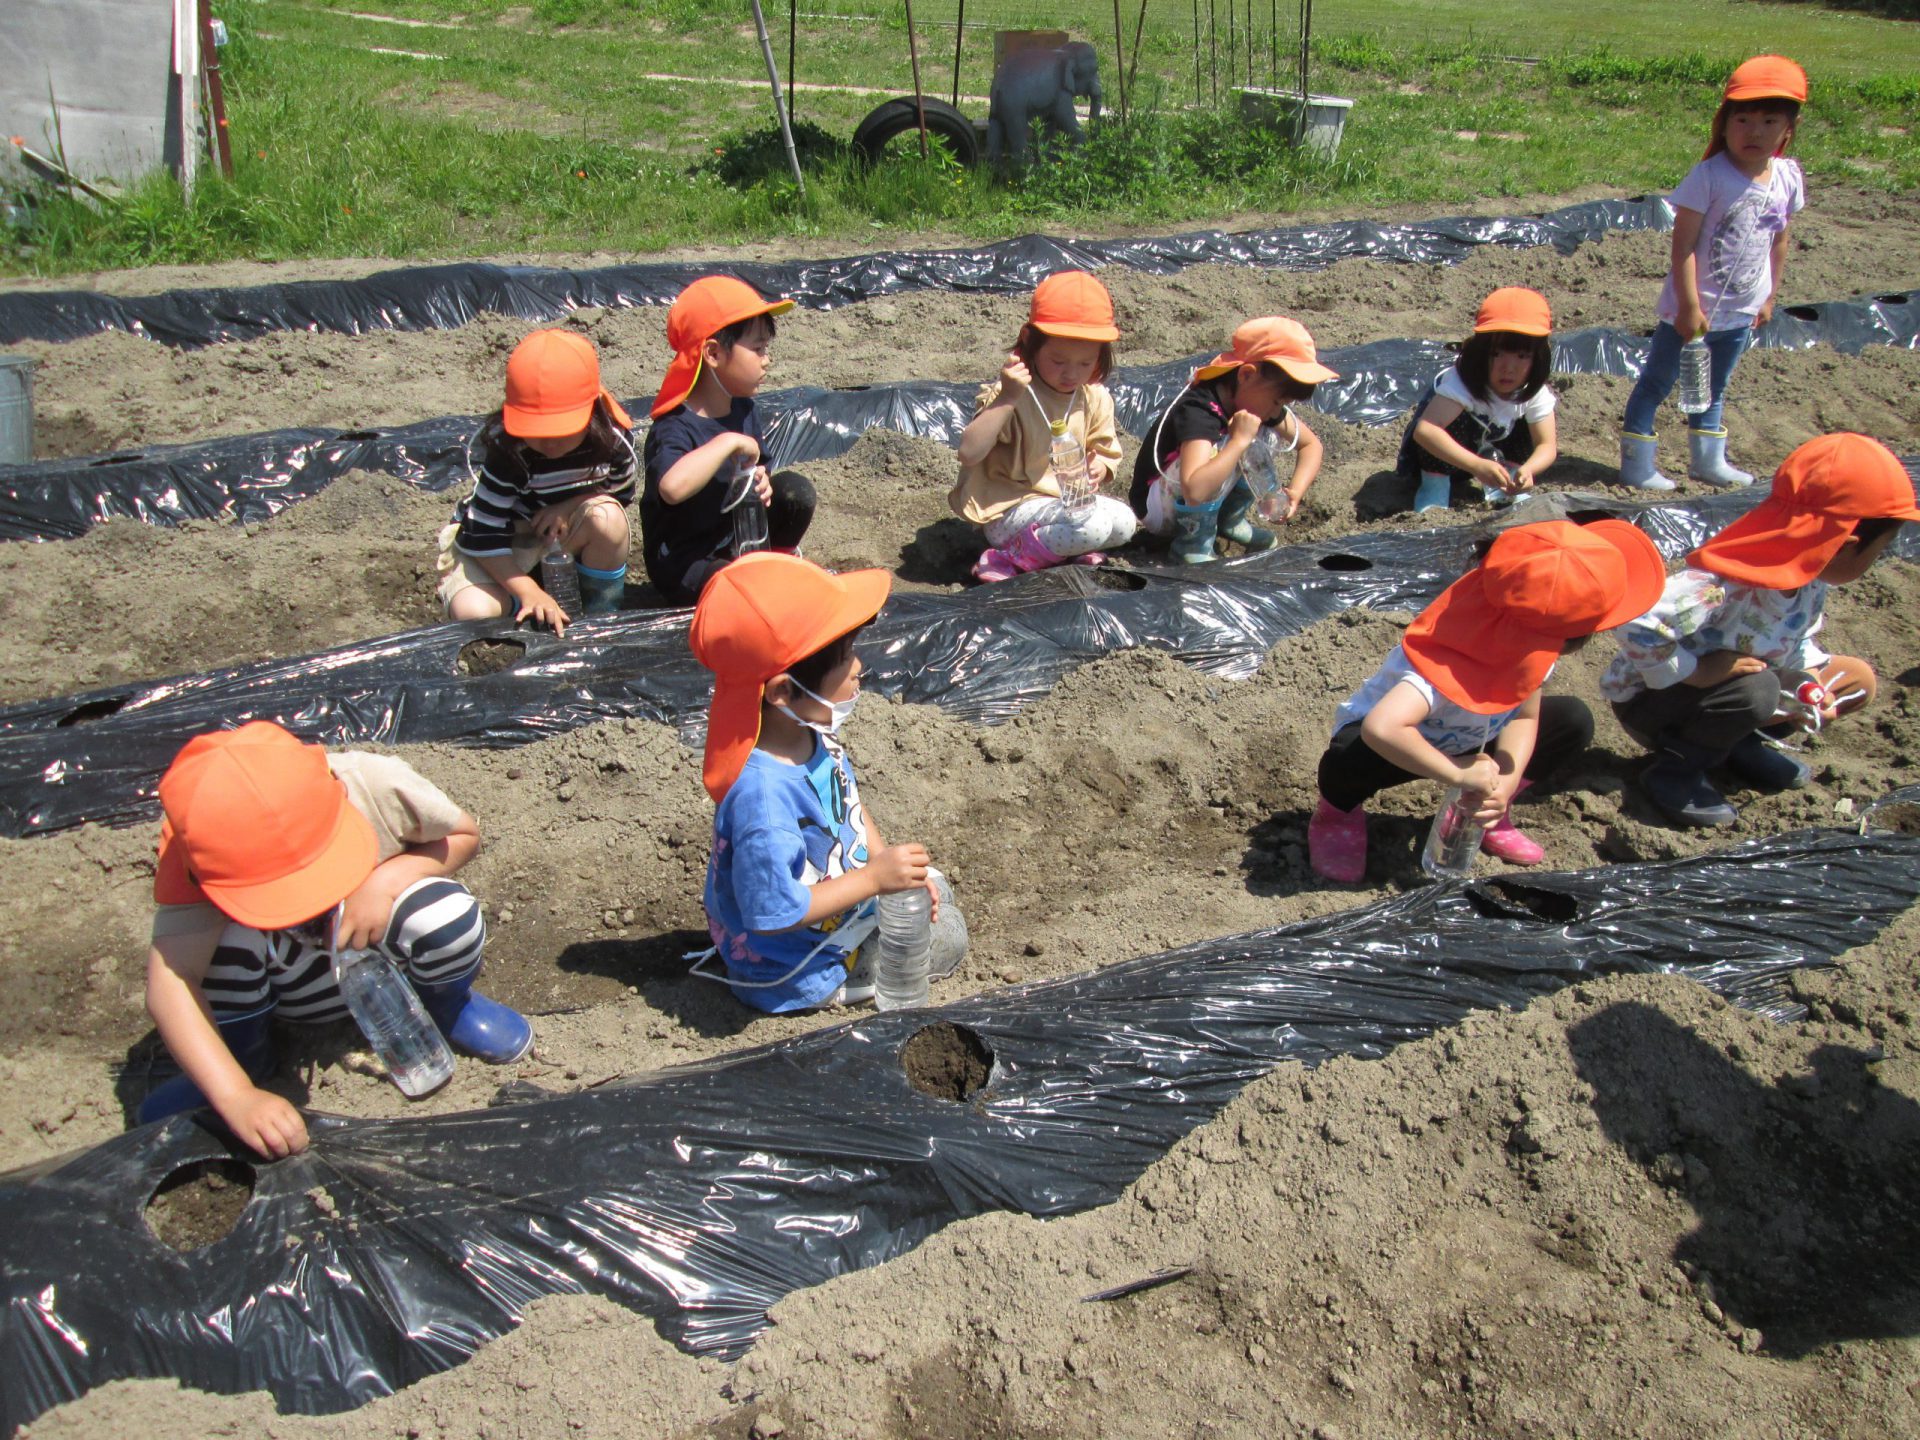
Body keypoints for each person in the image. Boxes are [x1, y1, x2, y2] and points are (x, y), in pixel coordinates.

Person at [138, 721, 532, 1158]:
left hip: (383, 960)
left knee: (444, 913)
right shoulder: (196, 851)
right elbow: (172, 981)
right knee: (221, 946)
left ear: (339, 795)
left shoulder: (374, 785)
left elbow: (464, 835)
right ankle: (245, 1058)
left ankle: (446, 1005)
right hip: (289, 987)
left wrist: (385, 882)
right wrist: (233, 1094)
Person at [1308, 519, 1666, 884]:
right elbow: (1382, 728)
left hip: (1476, 739)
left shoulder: (1532, 645)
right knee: (1348, 754)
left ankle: (1488, 812)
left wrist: (1504, 784)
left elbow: (1523, 717)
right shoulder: (1445, 659)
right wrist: (1457, 773)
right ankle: (1337, 815)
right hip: (1405, 746)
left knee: (1572, 720)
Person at [689, 553, 966, 1012]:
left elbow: (847, 803)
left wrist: (885, 870)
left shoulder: (808, 730)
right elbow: (774, 912)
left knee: (930, 890)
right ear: (783, 691)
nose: (859, 667)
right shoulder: (764, 801)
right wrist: (875, 880)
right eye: (845, 658)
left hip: (836, 899)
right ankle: (840, 984)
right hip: (794, 965)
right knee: (949, 933)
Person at [1602, 432, 1916, 828]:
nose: (1878, 559)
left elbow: (1795, 639)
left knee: (1855, 679)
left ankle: (1739, 744)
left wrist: (1809, 682)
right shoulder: (1723, 584)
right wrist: (1695, 671)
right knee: (1758, 690)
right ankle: (1676, 770)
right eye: (1879, 550)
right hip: (1653, 703)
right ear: (1843, 545)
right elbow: (1636, 621)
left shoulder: (1811, 579)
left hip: (1728, 694)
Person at [1620, 54, 1808, 492]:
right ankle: (1636, 466)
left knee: (1714, 386)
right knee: (1658, 382)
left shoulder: (1786, 178)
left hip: (1741, 311)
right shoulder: (1709, 177)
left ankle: (1707, 461)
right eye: (1743, 120)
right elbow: (1683, 246)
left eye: (1768, 122)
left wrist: (1769, 297)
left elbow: (1779, 240)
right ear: (1723, 125)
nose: (1754, 132)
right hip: (1692, 312)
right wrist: (1689, 306)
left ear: (1788, 129)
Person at [437, 329, 637, 631]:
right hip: (502, 545)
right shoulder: (510, 451)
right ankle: (525, 601)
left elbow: (620, 492)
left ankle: (598, 613)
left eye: (561, 429)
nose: (549, 442)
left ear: (593, 408)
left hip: (557, 539)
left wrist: (569, 507)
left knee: (608, 518)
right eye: (536, 428)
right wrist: (528, 592)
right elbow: (483, 533)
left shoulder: (612, 440)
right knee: (474, 612)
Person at [642, 276, 817, 603]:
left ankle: (774, 567)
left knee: (794, 493)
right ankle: (757, 585)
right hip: (686, 561)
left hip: (734, 539)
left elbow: (758, 468)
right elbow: (672, 488)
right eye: (757, 349)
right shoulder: (674, 426)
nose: (766, 359)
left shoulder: (743, 409)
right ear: (713, 353)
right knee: (736, 589)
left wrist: (762, 481)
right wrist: (727, 443)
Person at [952, 270, 1135, 581]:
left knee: (1125, 523)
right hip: (1010, 511)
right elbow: (969, 453)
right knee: (1093, 527)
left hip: (1067, 504)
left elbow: (1105, 451)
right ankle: (1007, 558)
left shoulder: (1093, 397)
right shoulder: (1014, 393)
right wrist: (1007, 398)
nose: (1071, 374)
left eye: (1085, 363)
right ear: (1029, 342)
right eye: (1058, 361)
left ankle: (1059, 550)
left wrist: (1099, 468)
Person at [1129, 316, 1335, 564]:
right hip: (1158, 509)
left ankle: (1229, 519)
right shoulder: (1199, 408)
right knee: (1230, 442)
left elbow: (1311, 445)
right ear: (1246, 375)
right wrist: (1239, 441)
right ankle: (1192, 542)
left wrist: (1295, 492)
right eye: (1276, 401)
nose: (1275, 411)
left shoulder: (1255, 403)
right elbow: (1194, 490)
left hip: (1197, 495)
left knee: (1266, 433)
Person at [1399, 287, 1559, 514]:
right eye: (1496, 354)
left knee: (1527, 425)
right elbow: (1426, 431)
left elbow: (1546, 444)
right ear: (1480, 352)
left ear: (1538, 358)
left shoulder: (1532, 391)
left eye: (1522, 356)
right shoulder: (1461, 382)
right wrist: (1476, 465)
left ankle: (1510, 480)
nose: (1508, 368)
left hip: (1493, 450)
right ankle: (1434, 487)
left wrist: (1529, 469)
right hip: (1448, 456)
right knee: (1450, 423)